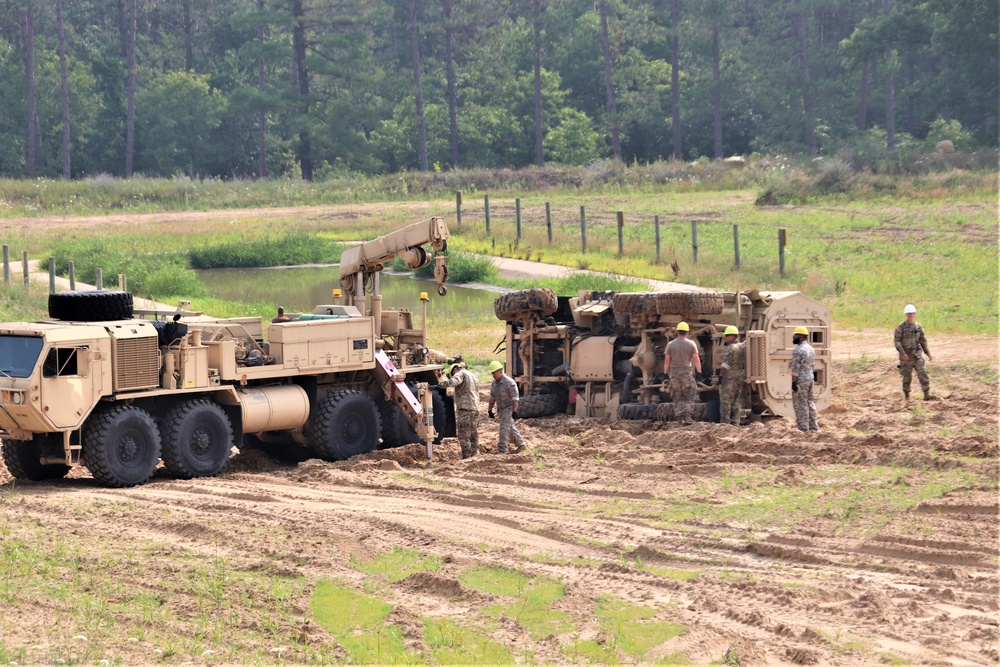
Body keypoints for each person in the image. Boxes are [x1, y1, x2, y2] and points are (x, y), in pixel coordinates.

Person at [438, 361, 480, 459]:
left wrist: (439, 385)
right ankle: (475, 454)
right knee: (473, 432)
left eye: (451, 374)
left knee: (463, 434)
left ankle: (466, 456)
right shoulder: (473, 376)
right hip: (475, 407)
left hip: (465, 408)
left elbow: (454, 382)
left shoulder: (460, 373)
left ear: (455, 369)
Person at [663, 322, 702, 425]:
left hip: (674, 374)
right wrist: (699, 372)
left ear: (677, 332)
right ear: (687, 332)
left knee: (677, 395)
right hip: (686, 373)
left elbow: (667, 361)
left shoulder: (670, 344)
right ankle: (688, 417)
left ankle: (680, 419)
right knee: (689, 395)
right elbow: (696, 360)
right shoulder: (691, 344)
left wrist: (665, 373)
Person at [894, 304, 935, 400]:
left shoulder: (918, 327)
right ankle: (907, 397)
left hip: (917, 356)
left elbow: (923, 341)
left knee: (923, 374)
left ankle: (926, 394)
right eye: (908, 314)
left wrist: (928, 353)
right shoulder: (901, 328)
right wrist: (903, 353)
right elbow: (897, 342)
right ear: (906, 314)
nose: (910, 315)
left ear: (915, 314)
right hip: (906, 358)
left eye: (912, 313)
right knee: (906, 377)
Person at [486, 360, 526, 454]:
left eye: (494, 373)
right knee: (510, 427)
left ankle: (502, 450)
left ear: (500, 371)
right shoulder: (494, 384)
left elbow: (515, 398)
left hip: (509, 409)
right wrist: (489, 410)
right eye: (492, 373)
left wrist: (514, 411)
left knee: (503, 429)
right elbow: (492, 398)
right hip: (500, 409)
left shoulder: (509, 382)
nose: (493, 375)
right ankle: (521, 445)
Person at [790, 326, 819, 432]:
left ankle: (803, 427)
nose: (793, 337)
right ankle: (813, 426)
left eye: (795, 335)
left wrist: (793, 382)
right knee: (810, 402)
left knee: (800, 404)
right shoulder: (811, 349)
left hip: (801, 380)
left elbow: (795, 369)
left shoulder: (797, 350)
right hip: (810, 378)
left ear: (801, 337)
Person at [718, 325, 746, 426]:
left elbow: (726, 364)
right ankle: (736, 423)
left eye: (727, 335)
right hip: (740, 377)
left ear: (733, 336)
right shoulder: (743, 346)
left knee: (726, 401)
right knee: (736, 401)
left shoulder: (730, 348)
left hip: (730, 378)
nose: (725, 337)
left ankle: (725, 423)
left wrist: (721, 375)